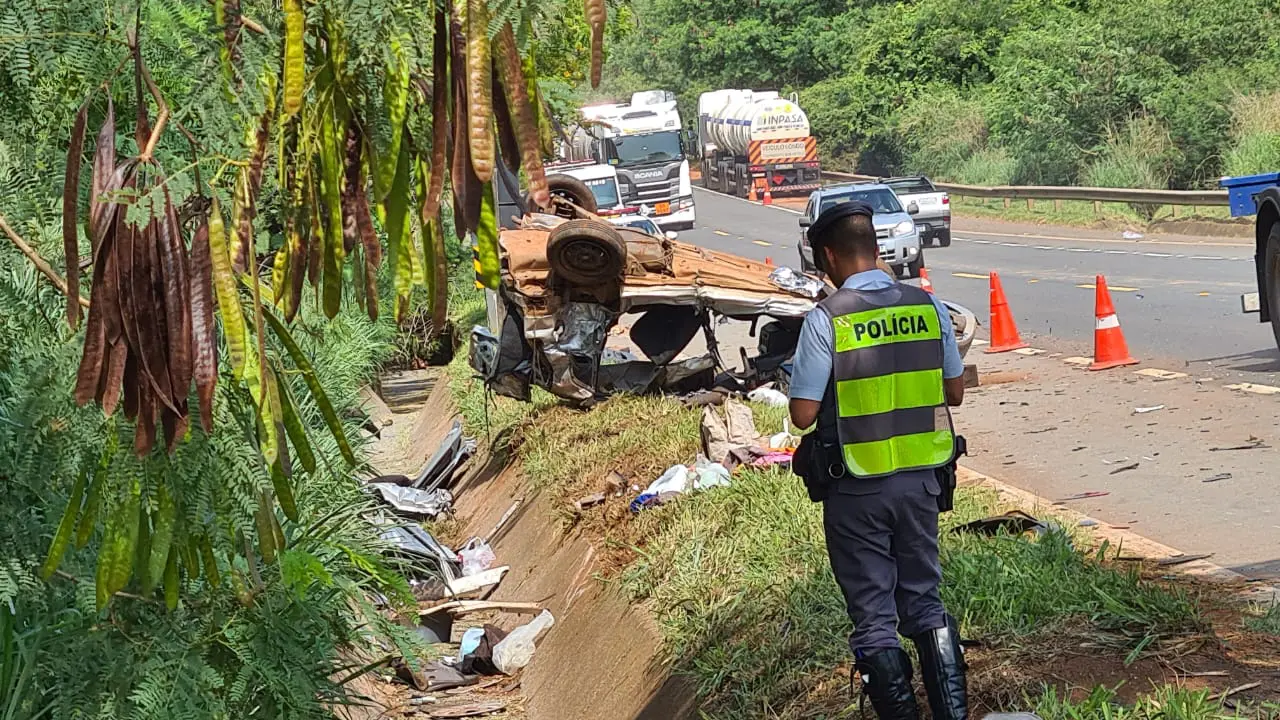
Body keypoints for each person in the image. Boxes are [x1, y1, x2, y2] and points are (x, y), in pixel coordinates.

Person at [788, 200, 968, 720]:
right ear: (876, 248)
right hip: (923, 484)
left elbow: (801, 414)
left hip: (857, 490)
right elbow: (953, 392)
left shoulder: (827, 320)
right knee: (925, 601)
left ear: (827, 256)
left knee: (873, 617)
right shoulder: (927, 307)